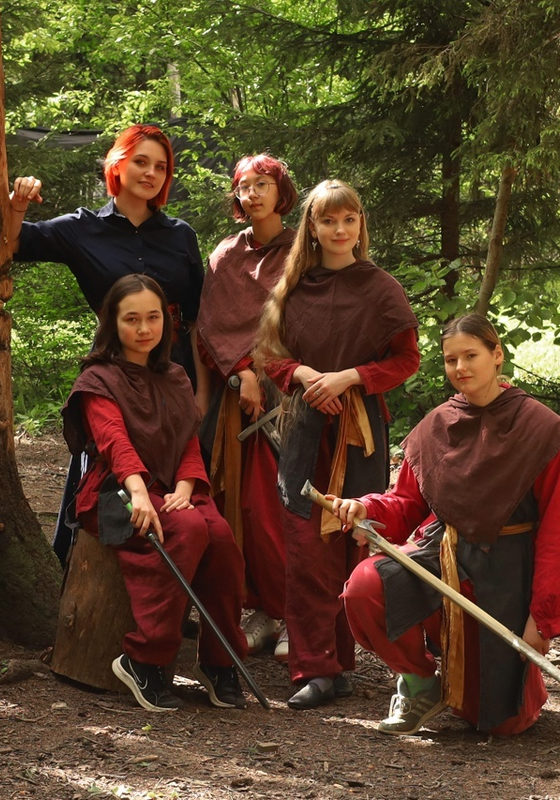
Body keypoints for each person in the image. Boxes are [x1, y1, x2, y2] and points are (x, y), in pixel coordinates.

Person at [334, 314, 560, 736]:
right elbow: (406, 503)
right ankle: (420, 684)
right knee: (366, 587)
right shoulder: (436, 424)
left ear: (497, 355)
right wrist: (365, 507)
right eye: (450, 360)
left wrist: (544, 616)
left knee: (502, 724)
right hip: (440, 553)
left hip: (506, 572)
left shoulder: (540, 428)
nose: (460, 368)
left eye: (471, 355)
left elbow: (558, 534)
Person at [254, 179, 419, 710]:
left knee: (352, 538)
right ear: (313, 227)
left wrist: (349, 378)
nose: (340, 229)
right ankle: (314, 668)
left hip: (360, 432)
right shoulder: (292, 287)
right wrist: (303, 375)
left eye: (349, 219)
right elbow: (270, 357)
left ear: (360, 224)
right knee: (305, 548)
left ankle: (340, 664)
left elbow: (406, 359)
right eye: (328, 221)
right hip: (305, 431)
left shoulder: (381, 287)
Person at [8, 124, 207, 563]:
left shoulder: (181, 235)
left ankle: (183, 580)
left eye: (161, 166)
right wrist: (17, 203)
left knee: (184, 477)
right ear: (117, 165)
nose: (151, 173)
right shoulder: (81, 228)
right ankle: (99, 574)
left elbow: (198, 320)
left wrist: (202, 391)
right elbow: (12, 244)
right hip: (115, 374)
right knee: (112, 459)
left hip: (176, 368)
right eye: (141, 162)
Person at [61, 274, 248, 712]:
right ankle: (143, 658)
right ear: (112, 322)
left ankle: (220, 661)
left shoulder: (175, 376)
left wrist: (185, 485)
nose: (144, 329)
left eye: (152, 318)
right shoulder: (98, 379)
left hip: (173, 487)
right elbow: (114, 441)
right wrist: (141, 492)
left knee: (221, 540)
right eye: (132, 319)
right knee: (186, 529)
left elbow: (187, 440)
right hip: (117, 493)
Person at [197, 155, 297, 659]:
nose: (253, 193)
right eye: (244, 186)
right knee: (245, 508)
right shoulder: (225, 254)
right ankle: (263, 610)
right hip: (240, 399)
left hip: (294, 394)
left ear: (281, 192)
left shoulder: (303, 250)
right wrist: (243, 373)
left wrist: (270, 371)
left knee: (287, 508)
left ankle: (298, 614)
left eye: (263, 184)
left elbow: (310, 317)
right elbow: (212, 323)